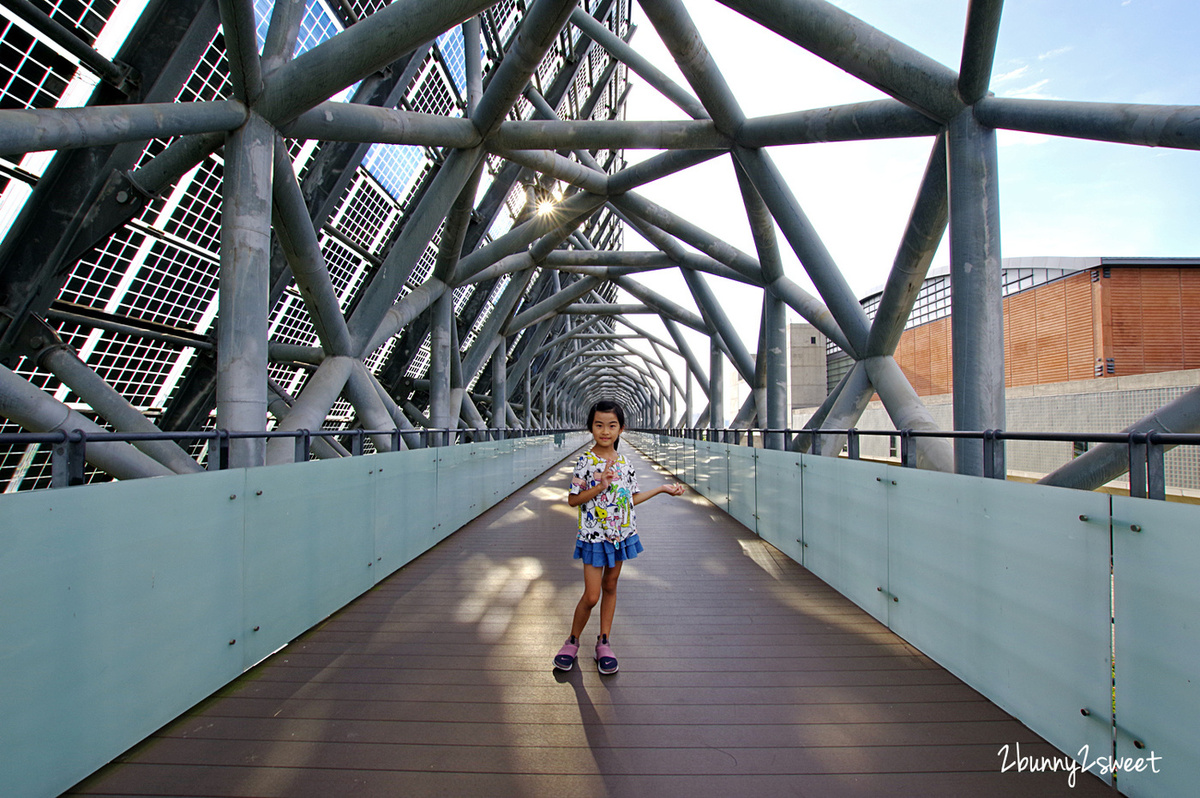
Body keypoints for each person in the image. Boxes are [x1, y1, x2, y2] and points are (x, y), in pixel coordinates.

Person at [553, 399, 685, 675]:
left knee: (610, 586)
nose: (605, 431)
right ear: (591, 427)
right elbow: (573, 500)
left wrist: (662, 489)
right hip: (593, 537)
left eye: (611, 425)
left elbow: (630, 499)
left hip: (621, 535)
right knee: (591, 596)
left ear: (621, 429)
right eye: (599, 425)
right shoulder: (585, 462)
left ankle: (603, 642)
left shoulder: (625, 463)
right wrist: (600, 486)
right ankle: (573, 640)